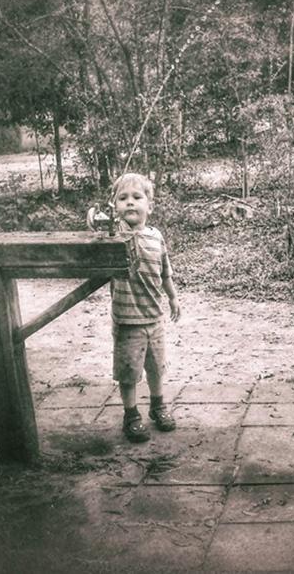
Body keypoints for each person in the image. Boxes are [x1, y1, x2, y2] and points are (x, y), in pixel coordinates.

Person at [110, 172, 180, 442]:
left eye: (137, 197)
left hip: (154, 317)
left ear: (149, 206)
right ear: (114, 207)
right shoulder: (117, 237)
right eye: (122, 198)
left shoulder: (156, 236)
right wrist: (103, 223)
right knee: (128, 372)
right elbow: (100, 235)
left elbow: (165, 272)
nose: (130, 203)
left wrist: (173, 297)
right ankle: (131, 415)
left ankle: (158, 405)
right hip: (127, 320)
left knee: (155, 367)